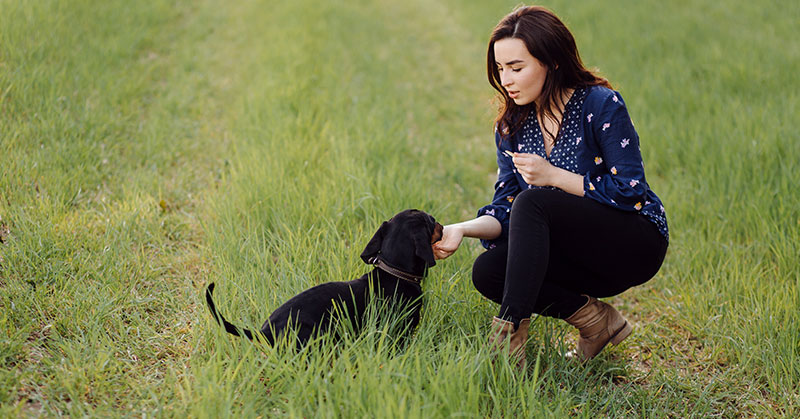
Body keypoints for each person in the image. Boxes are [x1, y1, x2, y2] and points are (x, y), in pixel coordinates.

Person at [432, 5, 668, 366]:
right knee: (489, 271)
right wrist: (460, 229)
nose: (506, 79)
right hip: (576, 254)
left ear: (552, 62)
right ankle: (595, 322)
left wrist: (553, 177)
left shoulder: (601, 105)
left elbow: (632, 192)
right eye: (500, 69)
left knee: (535, 201)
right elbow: (507, 208)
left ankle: (507, 338)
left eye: (516, 68)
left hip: (633, 243)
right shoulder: (511, 127)